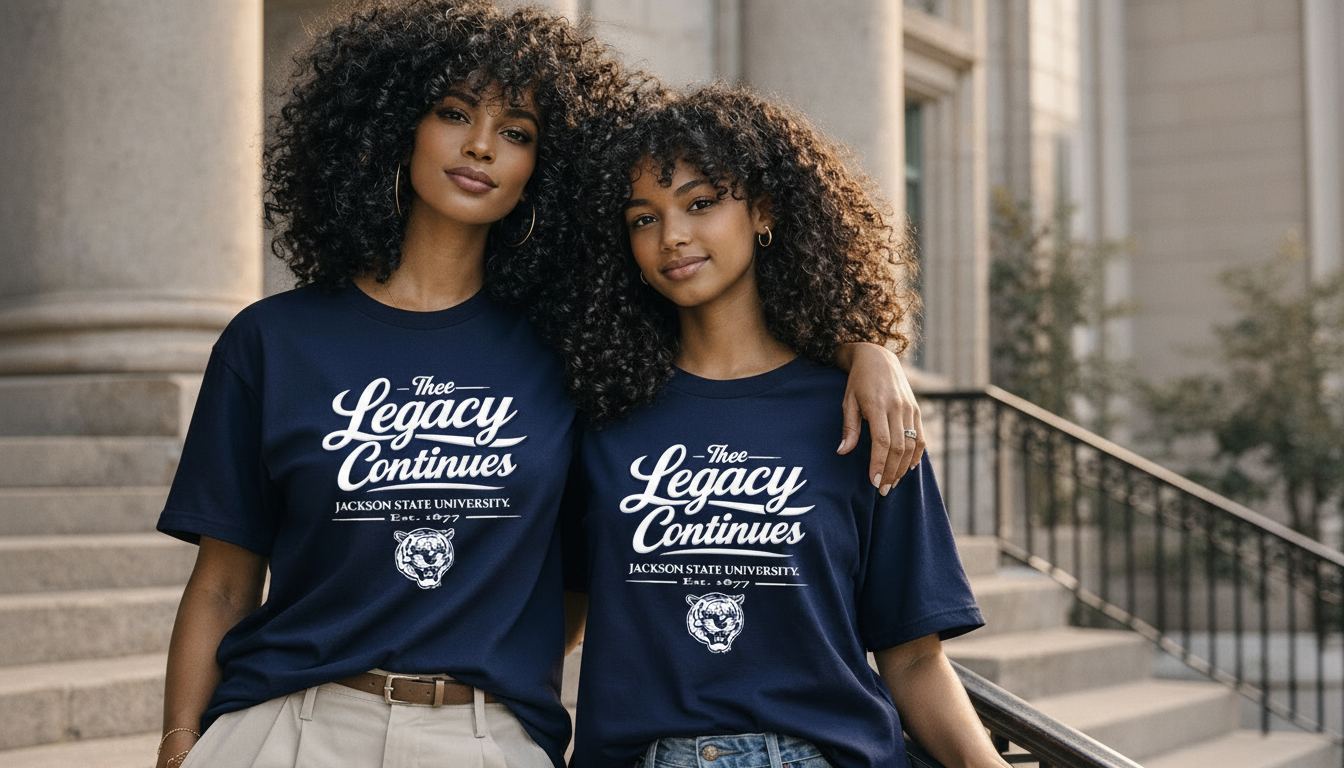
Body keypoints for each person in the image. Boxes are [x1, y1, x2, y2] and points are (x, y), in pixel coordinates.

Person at [153, 3, 924, 768]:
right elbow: (222, 585)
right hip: (290, 725)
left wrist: (863, 348)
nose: (482, 146)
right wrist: (181, 743)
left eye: (516, 132)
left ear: (542, 167)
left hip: (482, 739)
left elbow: (727, 348)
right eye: (453, 113)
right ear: (393, 126)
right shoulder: (273, 341)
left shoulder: (574, 352)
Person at [556, 86, 1010, 768]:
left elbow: (914, 658)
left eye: (700, 203)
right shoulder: (600, 415)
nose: (672, 235)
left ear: (762, 209)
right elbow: (558, 620)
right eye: (643, 218)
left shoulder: (864, 411)